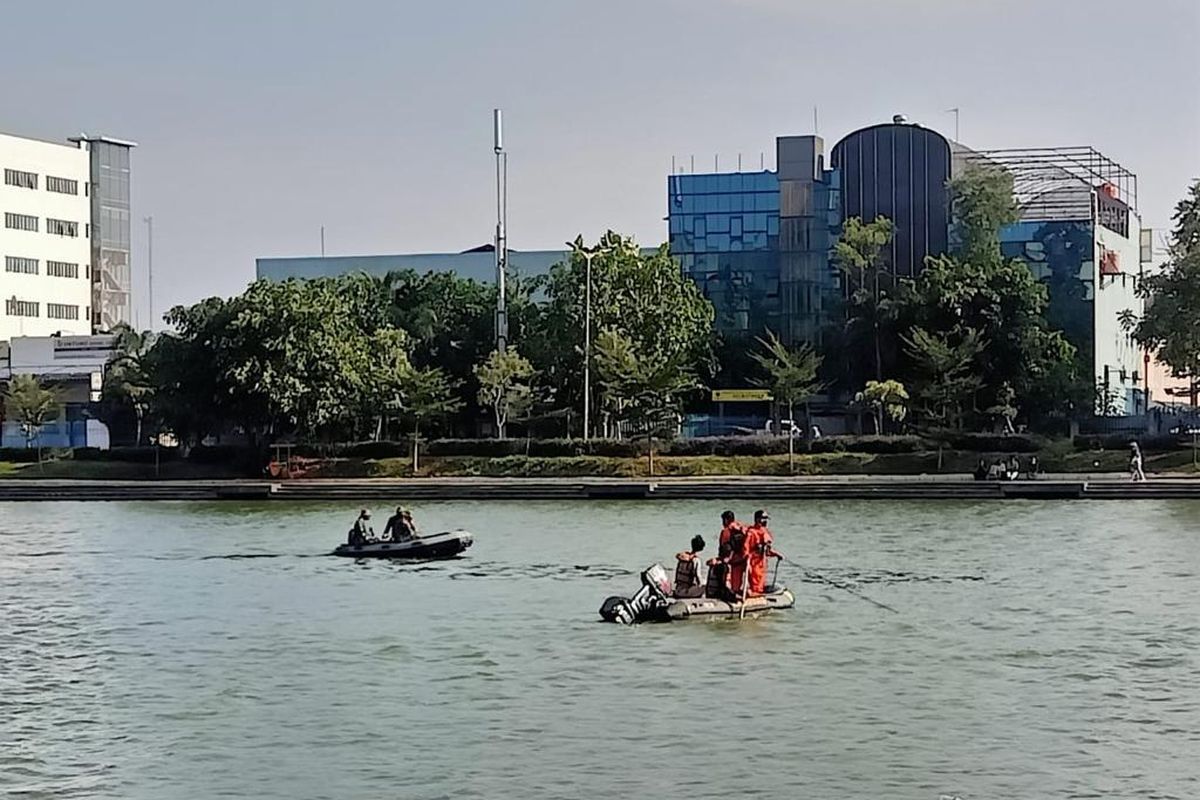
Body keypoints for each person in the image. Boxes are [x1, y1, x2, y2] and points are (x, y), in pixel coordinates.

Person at [745, 509, 783, 596]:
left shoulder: (765, 532)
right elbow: (746, 548)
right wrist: (747, 560)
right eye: (763, 518)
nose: (765, 521)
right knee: (755, 584)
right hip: (753, 563)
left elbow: (767, 550)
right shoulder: (751, 533)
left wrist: (776, 554)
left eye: (766, 519)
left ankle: (758, 594)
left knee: (760, 583)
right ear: (758, 519)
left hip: (762, 563)